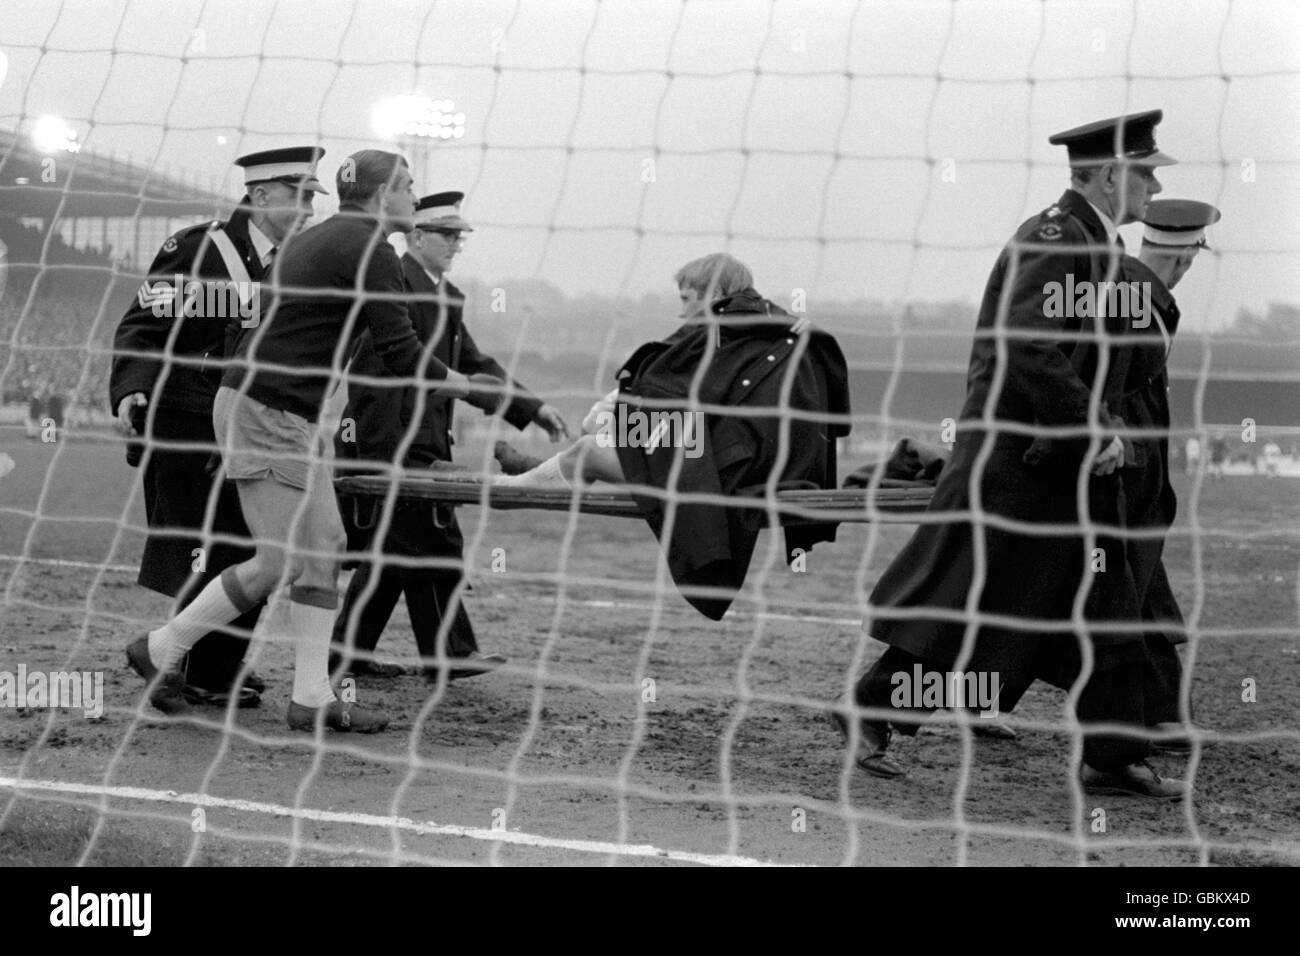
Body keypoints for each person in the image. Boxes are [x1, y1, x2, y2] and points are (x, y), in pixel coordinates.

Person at [833, 111, 1187, 798]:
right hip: (1022, 470)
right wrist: (1094, 429)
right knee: (983, 610)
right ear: (1110, 173)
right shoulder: (1055, 240)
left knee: (1109, 600)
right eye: (1143, 171)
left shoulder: (1095, 245)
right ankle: (873, 709)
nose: (1149, 184)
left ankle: (1111, 755)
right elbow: (1030, 345)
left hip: (1061, 469)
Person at [125, 149, 480, 732]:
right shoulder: (370, 249)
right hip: (270, 410)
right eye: (409, 186)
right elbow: (401, 353)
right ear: (380, 193)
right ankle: (162, 648)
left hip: (284, 410)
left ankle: (311, 698)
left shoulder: (317, 242)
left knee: (325, 548)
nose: (416, 197)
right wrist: (472, 387)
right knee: (278, 561)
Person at [497, 252, 849, 620]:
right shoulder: (776, 332)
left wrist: (614, 415)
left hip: (728, 478)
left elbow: (677, 405)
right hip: (778, 473)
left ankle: (511, 489)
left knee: (589, 447)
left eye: (686, 299)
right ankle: (539, 468)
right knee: (628, 439)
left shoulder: (724, 334)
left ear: (715, 293)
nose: (682, 312)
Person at [112, 146, 326, 709]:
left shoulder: (299, 259)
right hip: (187, 418)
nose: (308, 208)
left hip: (255, 422)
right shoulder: (198, 247)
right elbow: (143, 324)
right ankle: (193, 665)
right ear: (260, 195)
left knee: (253, 546)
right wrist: (132, 386)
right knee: (196, 548)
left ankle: (211, 666)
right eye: (299, 195)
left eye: (313, 197)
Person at [331, 191, 569, 681]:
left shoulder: (440, 293)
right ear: (416, 235)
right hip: (394, 446)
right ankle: (449, 655)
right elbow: (373, 384)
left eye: (460, 234)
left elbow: (473, 367)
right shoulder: (395, 287)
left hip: (420, 445)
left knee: (394, 557)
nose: (457, 243)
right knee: (433, 544)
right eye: (447, 233)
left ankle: (347, 655)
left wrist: (532, 407)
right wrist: (383, 462)